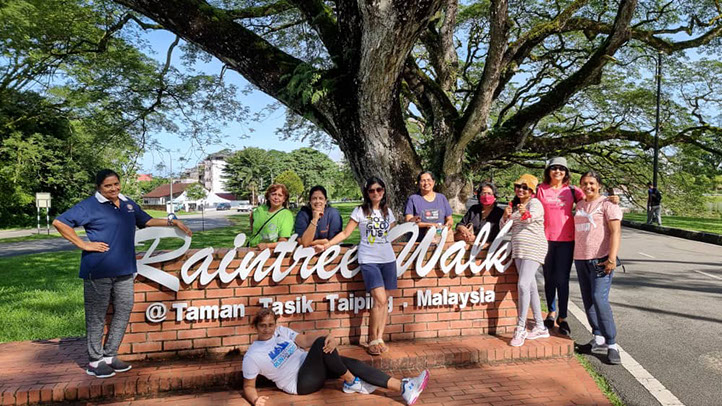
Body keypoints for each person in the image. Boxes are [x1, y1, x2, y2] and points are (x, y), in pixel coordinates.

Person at [52, 169, 192, 378]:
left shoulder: (127, 203)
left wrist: (173, 221)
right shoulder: (89, 206)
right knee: (96, 316)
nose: (113, 189)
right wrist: (84, 244)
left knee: (124, 309)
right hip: (98, 269)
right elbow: (60, 222)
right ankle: (94, 361)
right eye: (108, 186)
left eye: (116, 184)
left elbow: (146, 220)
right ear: (99, 187)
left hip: (125, 268)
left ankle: (110, 356)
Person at [242, 308, 429, 405]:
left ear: (275, 324)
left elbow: (305, 340)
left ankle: (403, 387)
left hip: (312, 368)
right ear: (255, 327)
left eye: (270, 325)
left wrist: (328, 337)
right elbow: (248, 386)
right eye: (262, 326)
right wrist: (255, 400)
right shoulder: (252, 356)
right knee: (320, 345)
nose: (267, 329)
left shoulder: (280, 332)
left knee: (348, 362)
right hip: (300, 383)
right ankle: (351, 381)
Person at [315, 177, 396, 355]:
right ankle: (371, 339)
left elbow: (391, 231)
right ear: (367, 193)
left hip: (388, 259)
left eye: (379, 190)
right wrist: (327, 245)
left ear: (383, 191)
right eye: (371, 190)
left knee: (384, 301)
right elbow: (346, 233)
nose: (375, 193)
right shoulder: (360, 211)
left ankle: (379, 337)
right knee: (379, 299)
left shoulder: (387, 211)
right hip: (369, 259)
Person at [573, 171, 623, 365]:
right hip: (581, 258)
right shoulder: (580, 204)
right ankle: (598, 337)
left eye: (592, 183)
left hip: (601, 260)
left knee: (599, 299)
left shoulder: (608, 204)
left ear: (599, 185)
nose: (588, 186)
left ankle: (612, 344)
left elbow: (616, 232)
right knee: (588, 300)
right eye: (584, 183)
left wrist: (611, 258)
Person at [536, 157, 584, 336]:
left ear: (566, 172)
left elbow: (591, 201)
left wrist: (611, 201)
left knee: (562, 279)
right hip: (545, 239)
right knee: (549, 278)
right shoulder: (540, 189)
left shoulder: (572, 190)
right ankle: (551, 312)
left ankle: (563, 317)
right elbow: (524, 202)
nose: (558, 171)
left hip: (566, 240)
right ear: (548, 171)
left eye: (561, 169)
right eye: (554, 168)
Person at [500, 174, 550, 347]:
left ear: (531, 191)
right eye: (518, 186)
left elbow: (530, 218)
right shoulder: (514, 206)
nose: (520, 190)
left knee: (522, 285)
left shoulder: (535, 203)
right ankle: (540, 326)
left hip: (533, 248)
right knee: (531, 287)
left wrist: (524, 212)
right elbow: (504, 228)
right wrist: (505, 216)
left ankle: (521, 327)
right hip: (519, 250)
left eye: (525, 187)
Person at [404, 171, 453, 243]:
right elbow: (408, 221)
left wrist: (447, 225)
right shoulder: (413, 199)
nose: (426, 183)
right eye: (423, 181)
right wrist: (431, 225)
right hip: (419, 239)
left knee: (450, 233)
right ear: (419, 184)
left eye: (428, 180)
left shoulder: (441, 198)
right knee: (430, 232)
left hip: (440, 234)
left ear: (433, 182)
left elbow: (450, 219)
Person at [249, 183, 294, 249]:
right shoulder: (260, 209)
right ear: (268, 196)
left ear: (284, 199)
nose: (276, 197)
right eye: (273, 194)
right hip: (252, 248)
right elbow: (251, 215)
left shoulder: (286, 215)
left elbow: (283, 241)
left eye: (280, 195)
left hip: (271, 251)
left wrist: (267, 246)